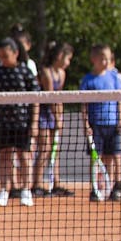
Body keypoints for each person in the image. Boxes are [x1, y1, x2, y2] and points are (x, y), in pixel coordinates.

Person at [0, 38, 40, 207]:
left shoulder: (26, 72)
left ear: (15, 53)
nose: (3, 60)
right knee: (4, 155)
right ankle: (4, 189)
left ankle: (26, 190)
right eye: (0, 56)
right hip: (3, 122)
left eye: (5, 56)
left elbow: (36, 99)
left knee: (24, 156)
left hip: (22, 122)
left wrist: (34, 123)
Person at [78, 44, 121, 202]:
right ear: (94, 59)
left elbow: (119, 99)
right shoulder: (87, 80)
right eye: (102, 58)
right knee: (96, 158)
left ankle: (115, 186)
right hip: (95, 124)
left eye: (108, 58)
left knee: (114, 156)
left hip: (112, 124)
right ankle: (96, 188)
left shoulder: (113, 77)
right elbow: (83, 104)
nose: (106, 61)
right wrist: (86, 124)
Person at [31, 41, 75, 197]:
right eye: (68, 58)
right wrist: (56, 117)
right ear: (59, 56)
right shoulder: (45, 73)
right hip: (42, 113)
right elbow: (50, 98)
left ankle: (56, 184)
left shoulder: (62, 74)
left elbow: (59, 98)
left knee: (54, 150)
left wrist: (60, 117)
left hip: (54, 113)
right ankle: (36, 184)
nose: (68, 62)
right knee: (44, 148)